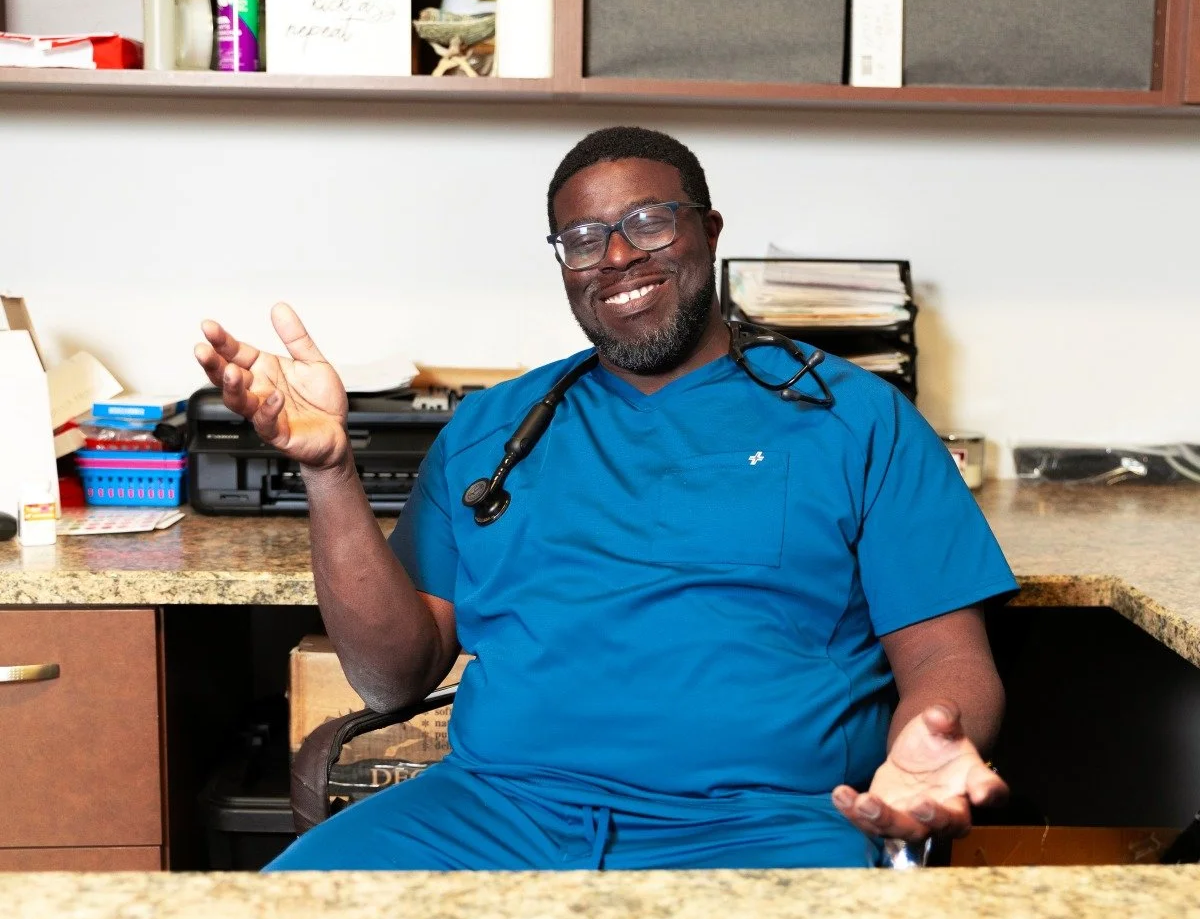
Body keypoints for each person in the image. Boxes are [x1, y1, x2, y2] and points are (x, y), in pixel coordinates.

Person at [194, 126, 1018, 871]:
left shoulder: (857, 420)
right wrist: (330, 469)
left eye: (650, 222)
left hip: (767, 827)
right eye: (582, 240)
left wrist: (928, 745)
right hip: (491, 815)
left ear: (710, 231)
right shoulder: (492, 430)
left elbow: (948, 659)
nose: (617, 257)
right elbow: (389, 682)